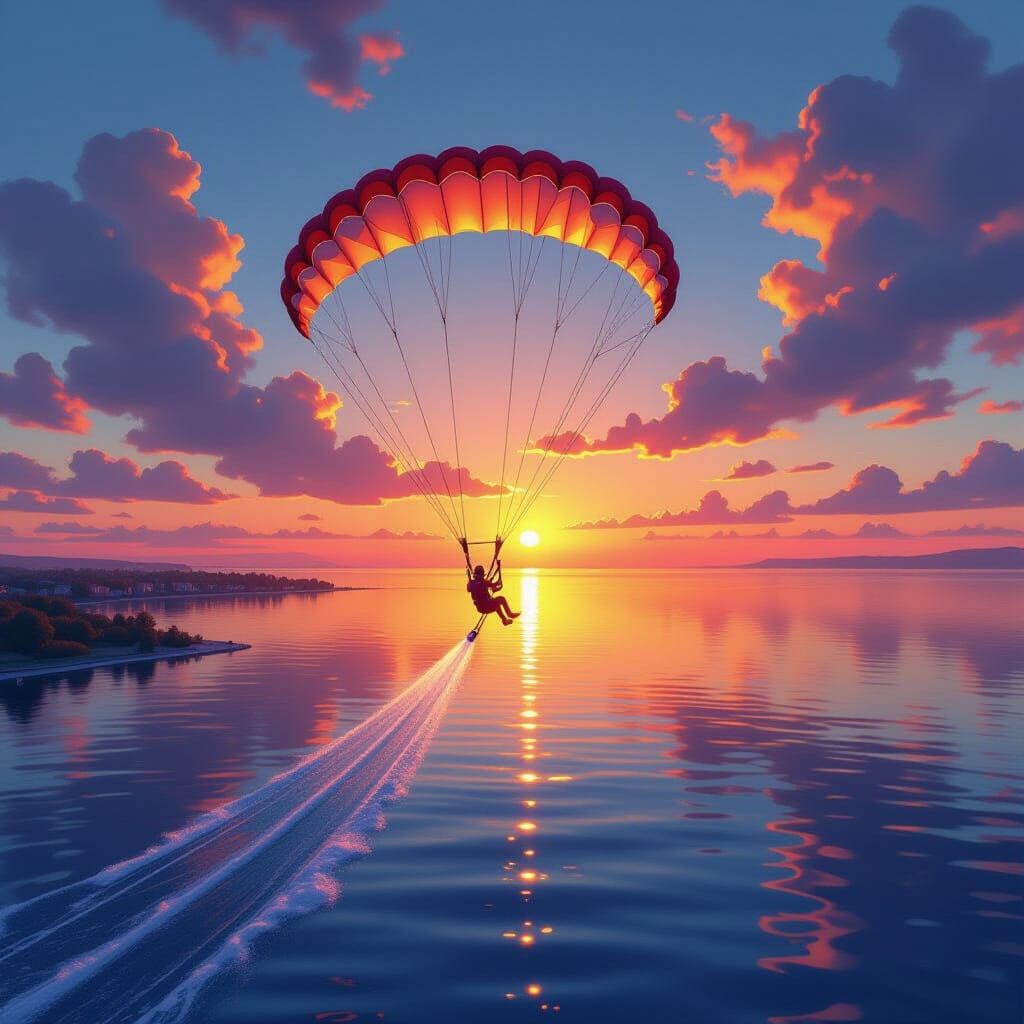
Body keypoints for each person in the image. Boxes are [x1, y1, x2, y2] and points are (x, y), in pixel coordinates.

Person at [467, 561, 519, 625]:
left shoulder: (471, 583)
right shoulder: (485, 582)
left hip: (480, 608)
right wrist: (499, 580)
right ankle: (509, 614)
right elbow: (496, 584)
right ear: (482, 574)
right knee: (501, 599)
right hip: (487, 607)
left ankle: (504, 620)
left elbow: (470, 589)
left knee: (496, 604)